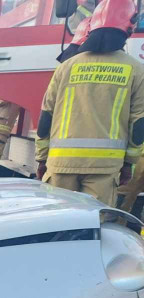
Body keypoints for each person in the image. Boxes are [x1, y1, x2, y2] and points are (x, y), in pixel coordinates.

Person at [36, 0, 144, 206]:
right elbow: (138, 125)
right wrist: (128, 165)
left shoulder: (66, 67)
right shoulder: (136, 70)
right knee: (93, 226)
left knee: (58, 225)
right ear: (129, 26)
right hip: (104, 169)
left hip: (60, 165)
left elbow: (45, 117)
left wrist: (42, 158)